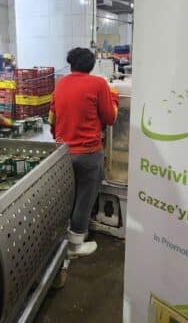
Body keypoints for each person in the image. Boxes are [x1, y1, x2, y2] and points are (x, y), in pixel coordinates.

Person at [49, 47, 119, 258]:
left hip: (63, 152)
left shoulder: (60, 84)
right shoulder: (98, 84)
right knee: (85, 198)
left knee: (69, 196)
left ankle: (62, 238)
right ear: (92, 65)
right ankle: (75, 245)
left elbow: (52, 118)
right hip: (88, 153)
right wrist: (114, 100)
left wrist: (59, 137)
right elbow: (110, 118)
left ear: (70, 64)